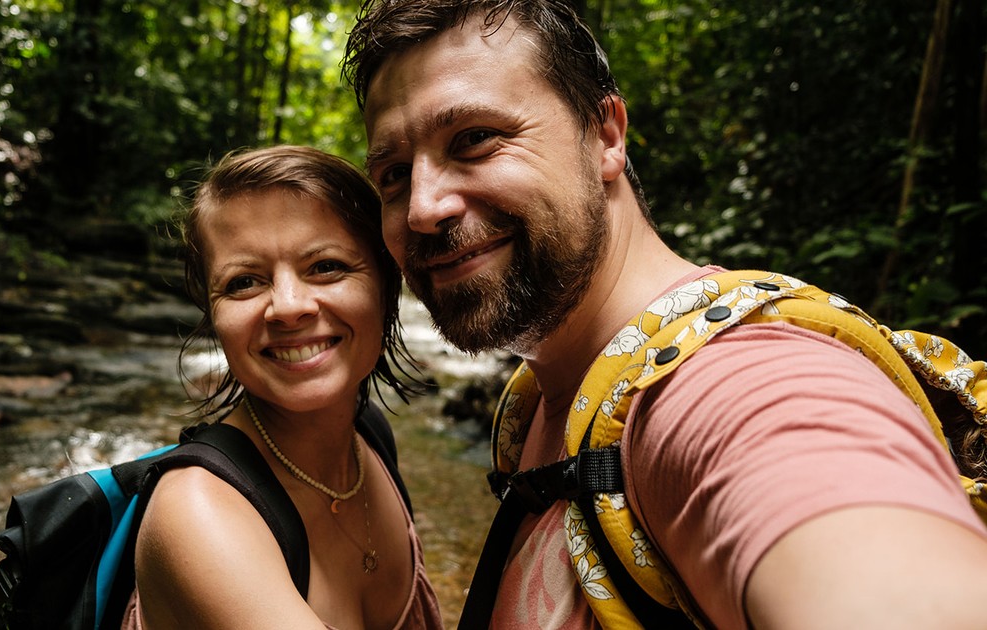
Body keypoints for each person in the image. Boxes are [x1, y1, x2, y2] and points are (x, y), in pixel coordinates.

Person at [341, 1, 987, 628]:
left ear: (606, 136)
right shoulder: (542, 397)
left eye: (475, 139)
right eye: (394, 173)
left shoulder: (740, 384)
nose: (423, 207)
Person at [125, 145, 444, 629]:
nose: (289, 306)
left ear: (385, 283)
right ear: (213, 315)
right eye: (243, 282)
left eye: (326, 266)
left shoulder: (371, 438)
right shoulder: (197, 514)